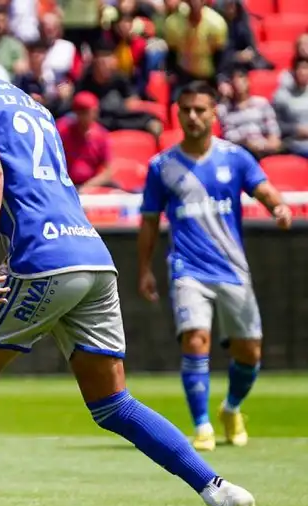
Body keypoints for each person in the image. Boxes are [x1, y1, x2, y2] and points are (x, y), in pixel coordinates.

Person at [0, 17, 255, 506]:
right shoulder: (34, 105)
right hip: (92, 256)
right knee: (113, 403)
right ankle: (219, 492)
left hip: (45, 261)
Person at [137, 82, 292, 452]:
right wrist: (144, 268)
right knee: (195, 339)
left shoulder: (235, 158)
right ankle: (202, 425)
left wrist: (280, 208)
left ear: (214, 113)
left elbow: (265, 190)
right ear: (177, 112)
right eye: (186, 109)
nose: (193, 116)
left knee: (250, 352)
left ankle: (231, 408)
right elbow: (148, 221)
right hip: (188, 269)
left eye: (200, 110)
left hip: (232, 269)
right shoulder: (162, 166)